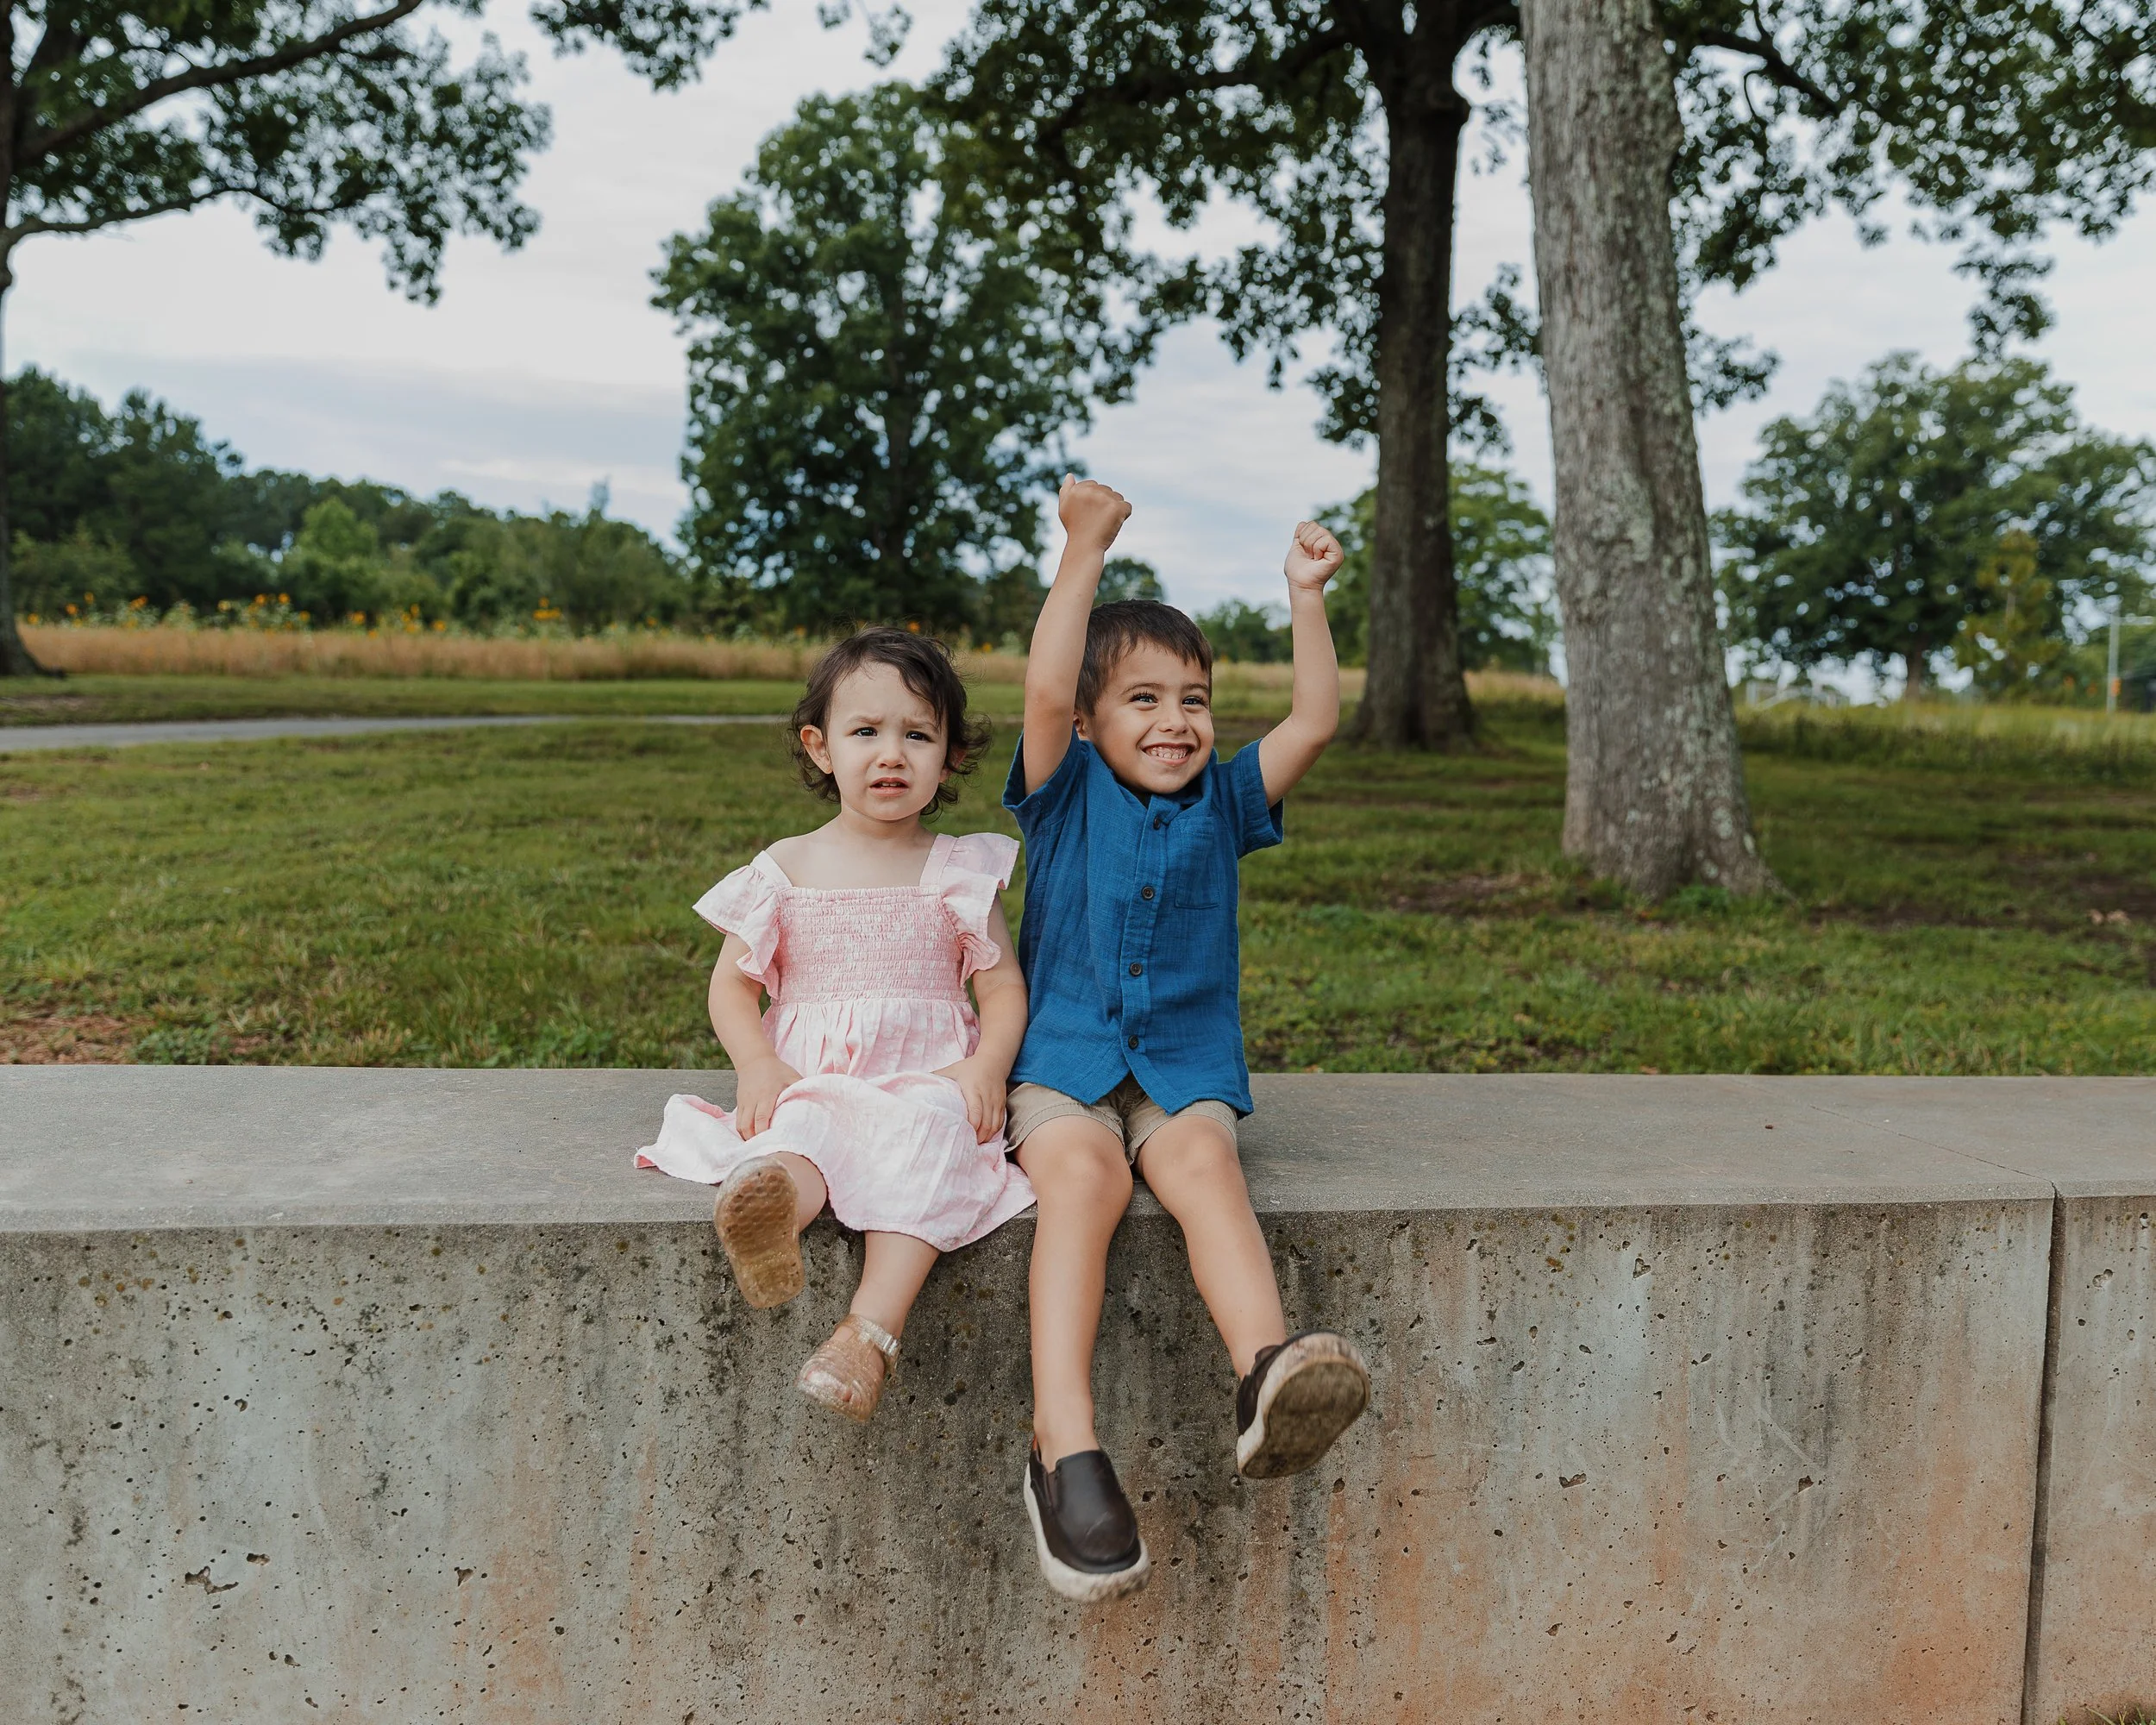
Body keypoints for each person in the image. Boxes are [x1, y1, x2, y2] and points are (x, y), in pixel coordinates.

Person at [1002, 475, 1371, 1602]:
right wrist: (1084, 550)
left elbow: (1313, 720)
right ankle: (1064, 1448)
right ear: (1088, 724)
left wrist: (1305, 596)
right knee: (1084, 1175)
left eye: (1196, 700)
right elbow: (1046, 677)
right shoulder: (1062, 790)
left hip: (1182, 1067)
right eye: (1146, 700)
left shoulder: (1224, 801)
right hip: (1064, 1062)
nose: (1177, 722)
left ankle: (1265, 1376)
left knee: (1204, 1162)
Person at [636, 628, 1033, 1424]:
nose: (892, 754)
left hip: (925, 1078)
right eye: (866, 732)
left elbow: (1003, 988)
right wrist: (755, 1064)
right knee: (804, 1128)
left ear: (951, 757)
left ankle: (866, 1333)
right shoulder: (785, 868)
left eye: (917, 734)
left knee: (932, 1135)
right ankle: (773, 1213)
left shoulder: (960, 870)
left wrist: (988, 1065)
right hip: (815, 1075)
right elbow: (731, 990)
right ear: (820, 748)